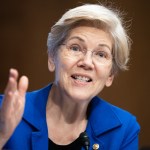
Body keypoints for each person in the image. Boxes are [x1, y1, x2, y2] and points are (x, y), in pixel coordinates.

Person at [0, 3, 140, 150]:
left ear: (110, 75)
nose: (86, 62)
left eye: (101, 54)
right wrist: (2, 134)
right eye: (75, 48)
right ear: (52, 57)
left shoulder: (123, 130)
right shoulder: (5, 111)